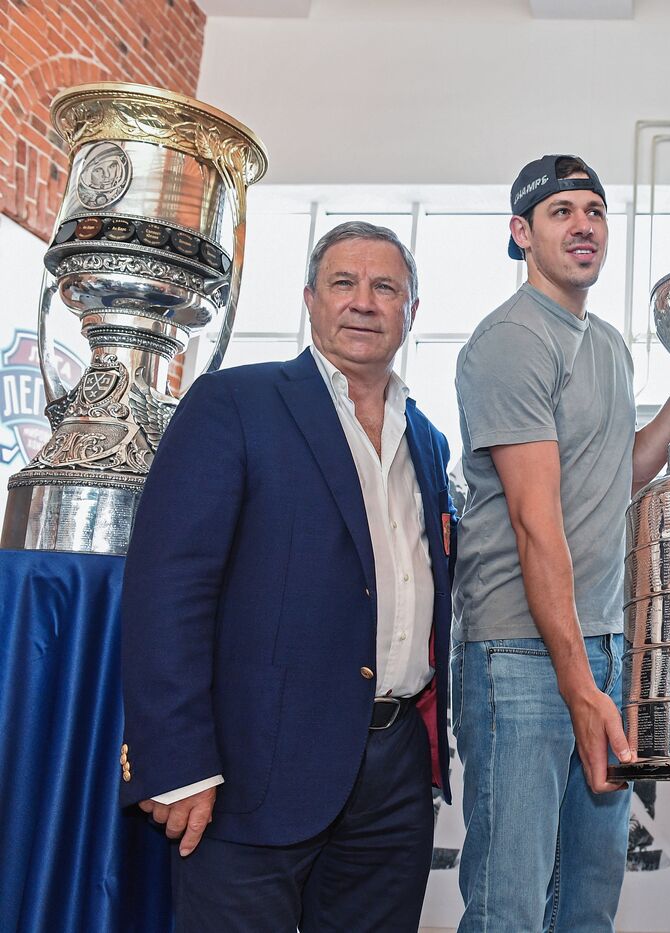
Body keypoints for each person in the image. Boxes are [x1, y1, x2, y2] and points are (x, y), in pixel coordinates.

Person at [119, 221, 454, 932]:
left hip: (392, 775)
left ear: (411, 312)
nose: (364, 301)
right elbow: (167, 590)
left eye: (385, 287)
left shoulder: (426, 437)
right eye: (344, 282)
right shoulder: (234, 404)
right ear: (310, 299)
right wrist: (176, 761)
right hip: (252, 768)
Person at [452, 154, 670, 932]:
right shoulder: (512, 341)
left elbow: (622, 474)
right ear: (521, 234)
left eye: (593, 210)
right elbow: (534, 522)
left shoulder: (610, 345)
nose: (583, 224)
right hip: (521, 655)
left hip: (602, 646)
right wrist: (581, 686)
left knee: (586, 902)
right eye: (560, 212)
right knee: (510, 906)